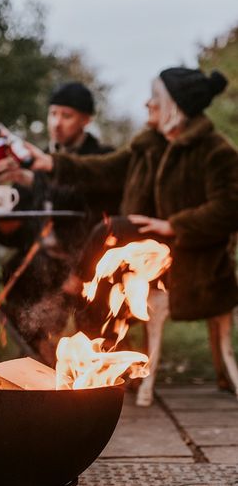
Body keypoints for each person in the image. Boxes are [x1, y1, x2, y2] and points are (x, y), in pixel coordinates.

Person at [27, 67, 238, 341]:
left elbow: (231, 207)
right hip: (144, 249)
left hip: (192, 256)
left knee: (112, 230)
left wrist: (173, 225)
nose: (147, 104)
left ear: (175, 107)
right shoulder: (148, 146)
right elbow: (104, 169)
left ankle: (74, 288)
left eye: (155, 99)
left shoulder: (215, 150)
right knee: (103, 272)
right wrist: (53, 163)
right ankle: (95, 361)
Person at [0, 81, 118, 360]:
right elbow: (11, 234)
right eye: (53, 114)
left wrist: (36, 180)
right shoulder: (35, 161)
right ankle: (37, 352)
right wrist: (2, 209)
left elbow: (83, 200)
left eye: (67, 115)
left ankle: (101, 356)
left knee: (95, 286)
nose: (57, 123)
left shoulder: (101, 158)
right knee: (14, 269)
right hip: (43, 258)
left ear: (86, 120)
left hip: (89, 257)